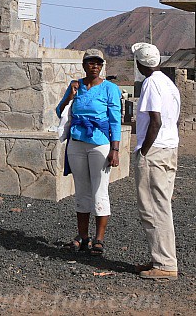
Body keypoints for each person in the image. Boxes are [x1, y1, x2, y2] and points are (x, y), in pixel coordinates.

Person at [56, 49, 122, 256]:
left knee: (99, 190)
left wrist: (115, 149)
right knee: (81, 190)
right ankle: (83, 236)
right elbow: (60, 111)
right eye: (90, 63)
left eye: (97, 63)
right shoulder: (76, 86)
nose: (94, 66)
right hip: (76, 142)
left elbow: (115, 120)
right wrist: (70, 97)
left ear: (101, 66)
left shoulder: (110, 88)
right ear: (84, 65)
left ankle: (99, 238)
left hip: (99, 143)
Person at [131, 42, 181, 280]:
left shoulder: (151, 83)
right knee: (161, 205)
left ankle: (164, 264)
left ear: (140, 64)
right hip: (169, 148)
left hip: (155, 150)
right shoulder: (169, 84)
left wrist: (144, 151)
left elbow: (156, 121)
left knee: (153, 208)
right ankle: (159, 258)